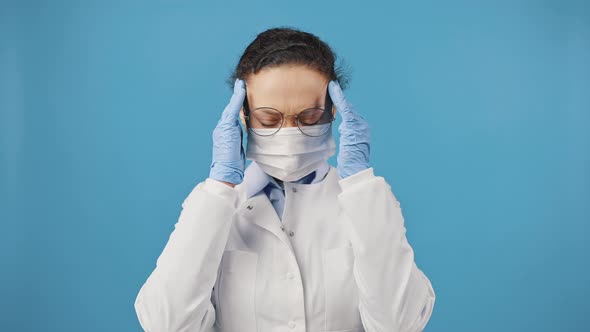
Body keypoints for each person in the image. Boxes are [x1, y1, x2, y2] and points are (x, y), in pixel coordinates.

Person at [134, 27, 435, 332]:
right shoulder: (216, 209)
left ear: (333, 112)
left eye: (309, 118)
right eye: (269, 118)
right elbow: (166, 324)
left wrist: (359, 181)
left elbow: (400, 324)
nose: (289, 133)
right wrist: (220, 187)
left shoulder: (363, 205)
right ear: (243, 115)